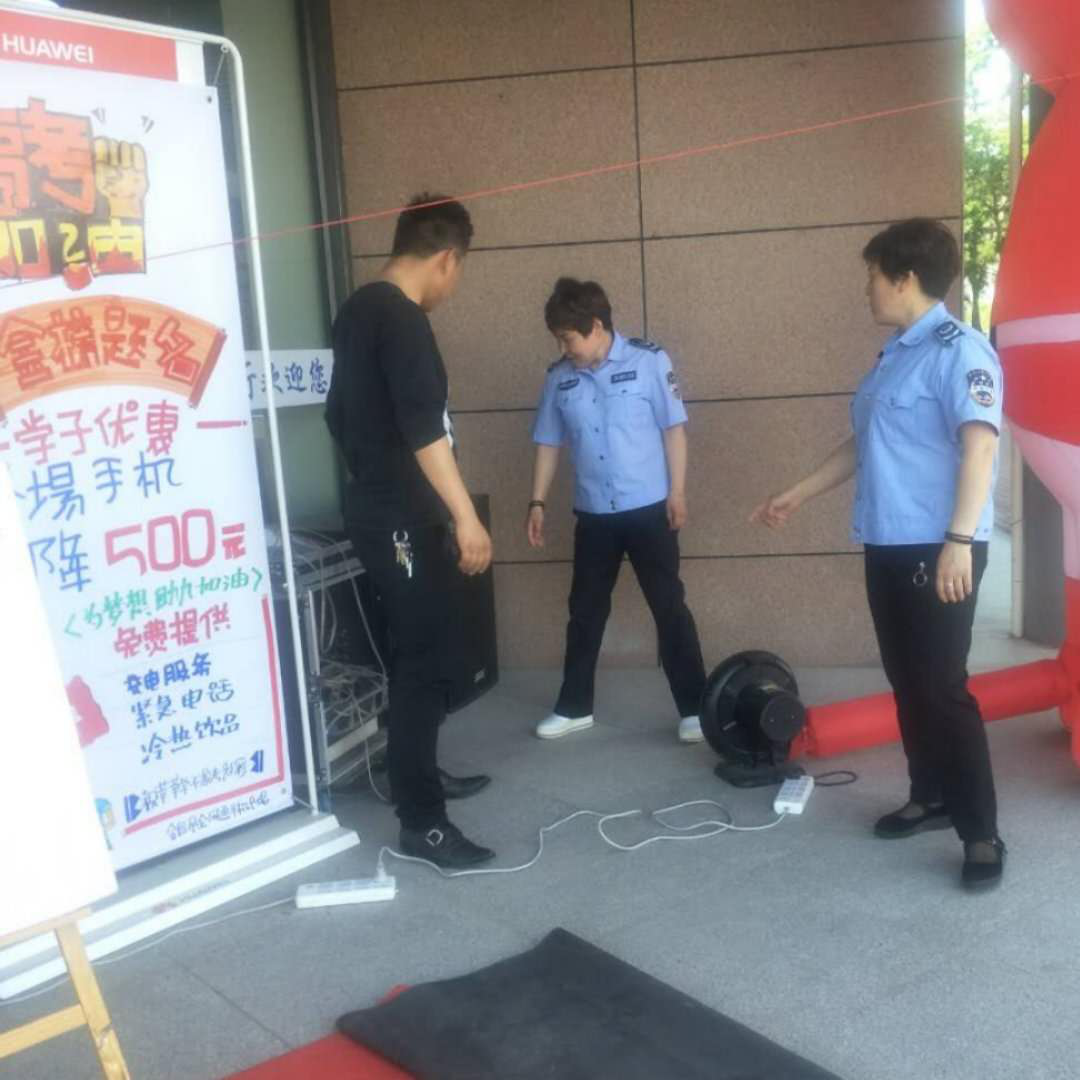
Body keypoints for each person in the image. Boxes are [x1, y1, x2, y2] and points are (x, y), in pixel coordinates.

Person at [751, 218, 1006, 890]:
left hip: (939, 545)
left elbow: (981, 446)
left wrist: (959, 541)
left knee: (943, 688)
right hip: (888, 542)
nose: (866, 289)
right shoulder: (895, 355)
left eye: (872, 276)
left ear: (905, 278)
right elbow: (864, 444)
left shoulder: (960, 351)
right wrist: (797, 493)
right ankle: (930, 796)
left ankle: (981, 833)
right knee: (908, 681)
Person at [325, 194, 496, 869]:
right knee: (424, 660)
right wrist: (465, 516)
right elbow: (426, 430)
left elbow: (340, 417)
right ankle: (422, 823)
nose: (455, 285)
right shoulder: (401, 319)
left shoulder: (356, 310)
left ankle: (413, 770)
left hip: (382, 508)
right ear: (447, 258)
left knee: (420, 655)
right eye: (460, 270)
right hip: (400, 517)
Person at [528, 277, 707, 743]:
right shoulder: (559, 377)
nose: (563, 349)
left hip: (649, 511)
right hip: (594, 515)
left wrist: (678, 492)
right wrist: (537, 501)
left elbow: (673, 430)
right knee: (584, 612)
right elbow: (548, 442)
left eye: (568, 338)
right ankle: (574, 707)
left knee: (669, 607)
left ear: (595, 326)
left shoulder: (649, 362)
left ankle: (695, 709)